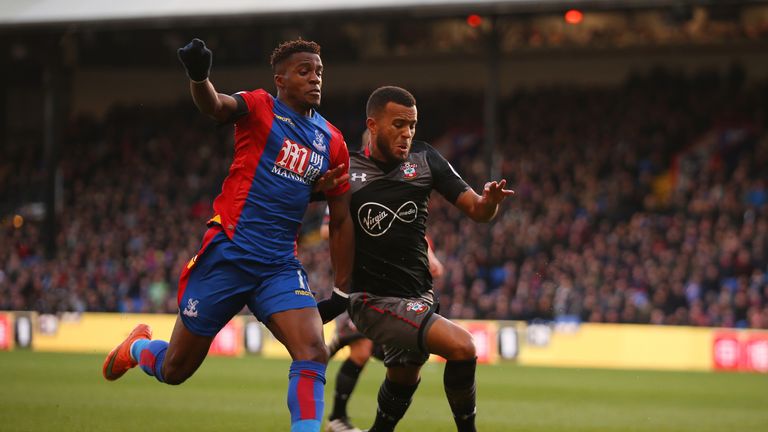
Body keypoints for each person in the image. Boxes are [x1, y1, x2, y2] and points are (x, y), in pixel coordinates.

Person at [102, 38, 355, 432]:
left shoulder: (332, 141)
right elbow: (215, 105)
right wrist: (199, 77)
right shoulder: (259, 107)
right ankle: (136, 348)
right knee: (175, 370)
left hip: (278, 265)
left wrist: (342, 288)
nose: (314, 78)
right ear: (280, 80)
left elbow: (340, 218)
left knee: (313, 350)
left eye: (319, 71)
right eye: (304, 71)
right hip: (229, 254)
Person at [319, 86, 513, 432]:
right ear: (373, 125)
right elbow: (311, 210)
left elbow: (477, 211)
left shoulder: (425, 160)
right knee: (463, 347)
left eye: (412, 125)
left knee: (405, 376)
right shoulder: (347, 168)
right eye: (398, 124)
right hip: (371, 299)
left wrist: (490, 202)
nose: (407, 133)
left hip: (417, 295)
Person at [319, 141, 445, 431]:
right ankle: (337, 416)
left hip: (391, 292)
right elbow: (329, 226)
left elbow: (417, 238)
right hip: (359, 283)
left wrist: (432, 257)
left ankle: (336, 359)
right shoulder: (353, 184)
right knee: (361, 351)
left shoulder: (403, 196)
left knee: (380, 356)